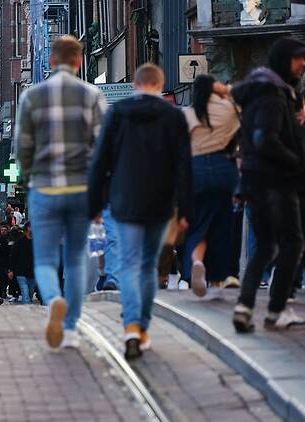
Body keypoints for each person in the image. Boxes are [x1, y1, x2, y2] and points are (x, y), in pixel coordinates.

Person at [89, 63, 192, 360]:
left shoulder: (118, 114)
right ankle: (142, 326)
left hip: (125, 201)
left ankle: (131, 326)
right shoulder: (173, 117)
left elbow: (100, 162)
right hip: (160, 202)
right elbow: (184, 165)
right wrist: (186, 208)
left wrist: (95, 204)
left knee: (130, 265)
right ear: (159, 86)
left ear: (135, 85)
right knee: (148, 266)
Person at [15, 35, 107, 349]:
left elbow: (22, 147)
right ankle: (70, 328)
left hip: (44, 187)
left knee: (44, 259)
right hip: (81, 188)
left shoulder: (32, 97)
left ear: (51, 61)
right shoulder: (92, 95)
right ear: (79, 61)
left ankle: (53, 299)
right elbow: (102, 150)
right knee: (76, 259)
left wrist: (30, 178)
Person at [231, 38, 305, 332]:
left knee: (264, 247)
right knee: (293, 243)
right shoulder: (272, 95)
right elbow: (265, 139)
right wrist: (296, 161)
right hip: (276, 181)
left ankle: (244, 305)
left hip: (256, 179)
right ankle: (275, 308)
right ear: (284, 59)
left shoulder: (271, 91)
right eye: (298, 59)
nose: (302, 64)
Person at [180, 75, 241, 298]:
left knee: (198, 225)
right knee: (222, 226)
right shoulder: (228, 109)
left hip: (196, 170)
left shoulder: (187, 114)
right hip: (223, 166)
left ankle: (197, 262)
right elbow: (243, 98)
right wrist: (224, 89)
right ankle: (217, 278)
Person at [9, 222, 36, 304]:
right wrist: (10, 270)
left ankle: (27, 308)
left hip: (32, 272)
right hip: (21, 272)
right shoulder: (19, 242)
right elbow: (13, 256)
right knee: (25, 293)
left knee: (30, 293)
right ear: (28, 228)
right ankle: (26, 313)